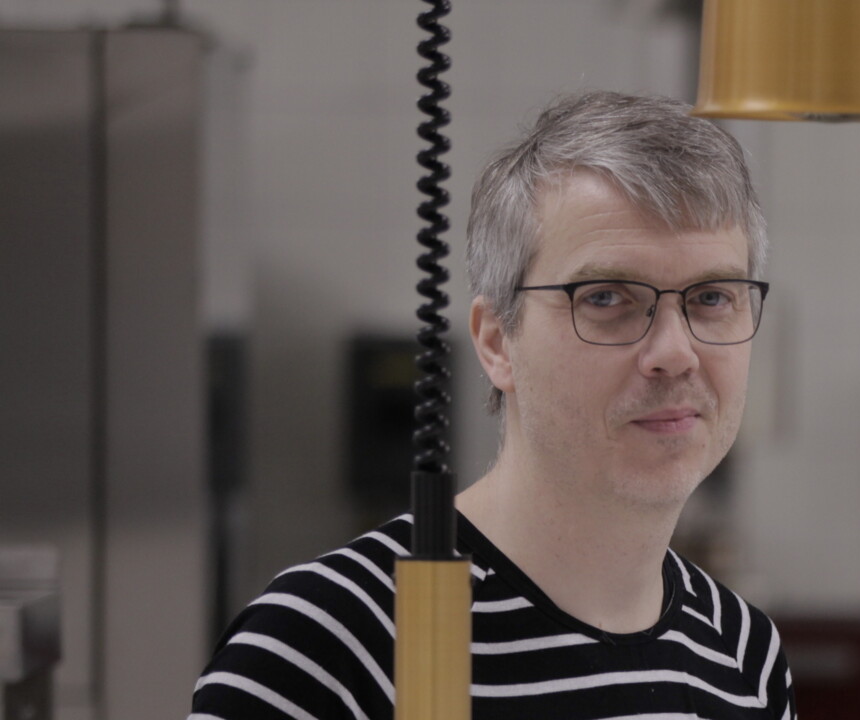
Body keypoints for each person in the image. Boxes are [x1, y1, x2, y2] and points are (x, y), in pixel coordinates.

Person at [190, 90, 794, 720]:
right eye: (606, 297)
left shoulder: (744, 653)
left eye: (713, 298)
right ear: (497, 341)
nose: (674, 353)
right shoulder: (324, 644)